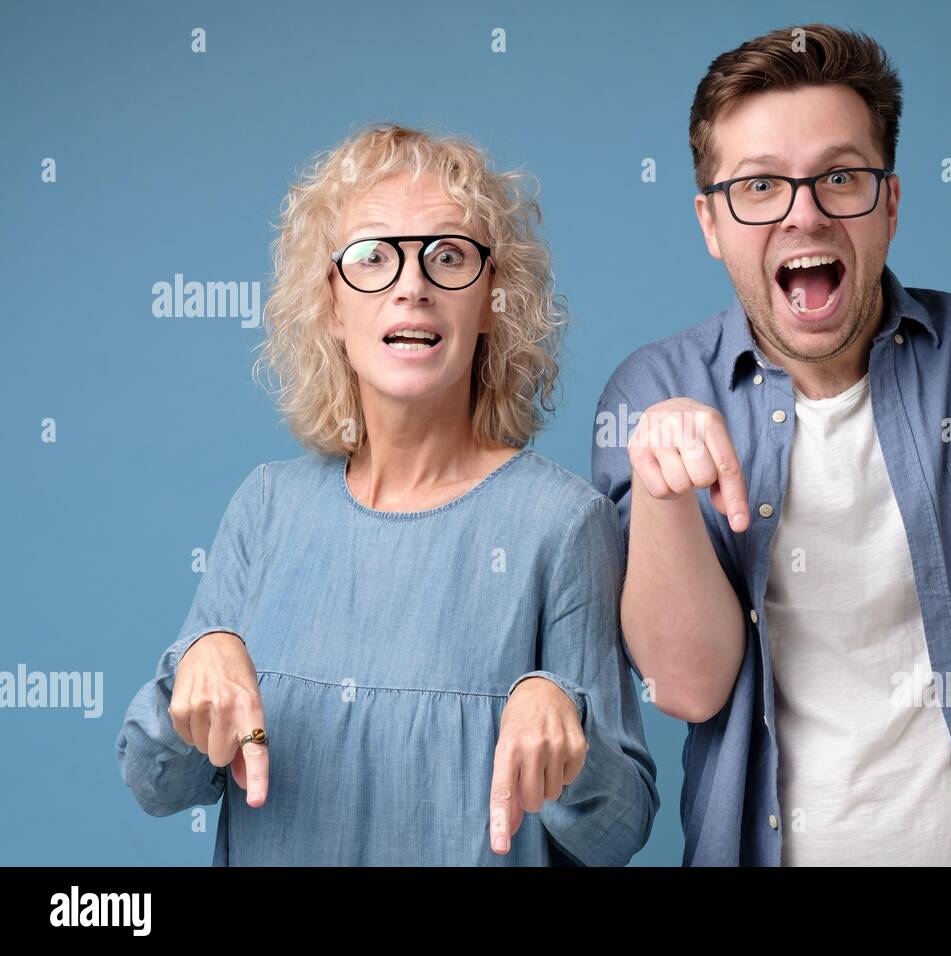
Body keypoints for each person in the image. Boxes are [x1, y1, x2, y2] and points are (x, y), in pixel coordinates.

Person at [592, 24, 951, 866]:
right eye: (759, 186)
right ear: (710, 223)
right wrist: (662, 494)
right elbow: (688, 686)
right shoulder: (650, 395)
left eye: (839, 176)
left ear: (890, 202)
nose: (805, 212)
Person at [116, 124, 658, 866]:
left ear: (494, 300)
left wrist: (569, 725)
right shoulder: (267, 509)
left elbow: (617, 832)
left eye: (448, 256)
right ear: (332, 305)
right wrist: (196, 663)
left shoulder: (561, 525)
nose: (413, 286)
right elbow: (157, 782)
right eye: (373, 257)